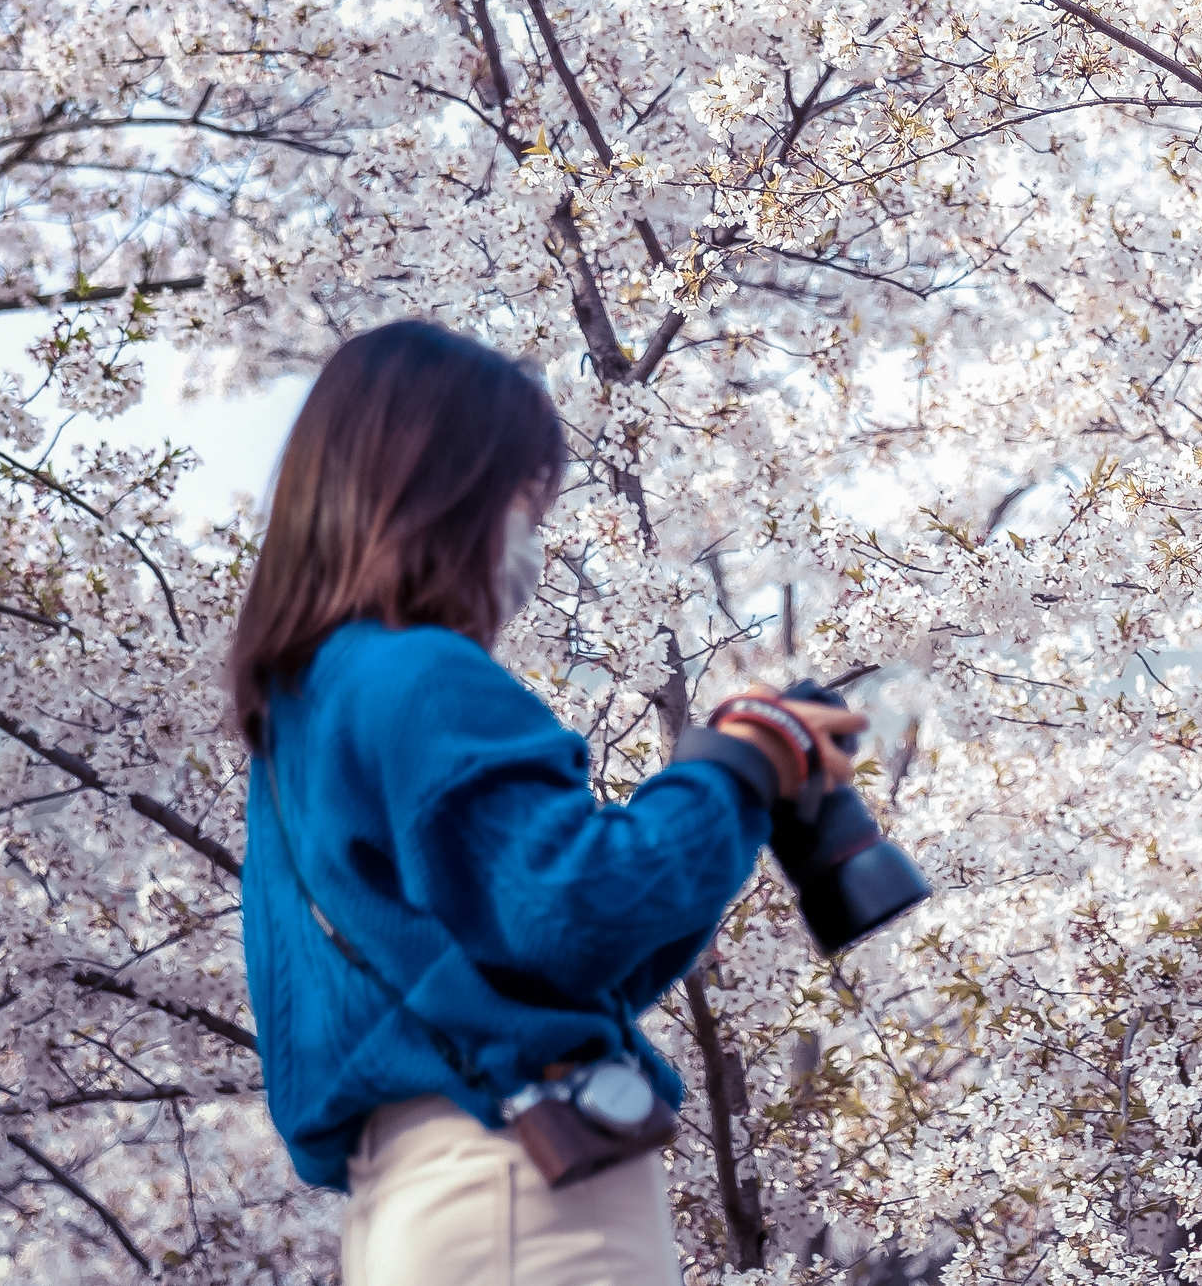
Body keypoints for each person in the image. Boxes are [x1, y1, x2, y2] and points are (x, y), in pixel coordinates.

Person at [231, 320, 862, 1286]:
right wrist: (736, 770)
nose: (532, 536)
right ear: (445, 489)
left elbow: (522, 966)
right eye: (526, 501)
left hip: (408, 1199)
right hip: (518, 1194)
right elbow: (579, 912)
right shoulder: (422, 677)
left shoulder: (306, 712)